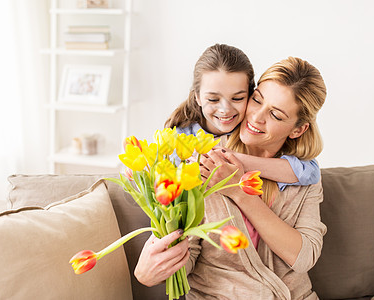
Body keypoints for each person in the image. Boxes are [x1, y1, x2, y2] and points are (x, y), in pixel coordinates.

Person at [135, 56, 327, 299]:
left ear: (298, 129)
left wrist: (238, 191)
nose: (257, 117)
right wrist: (156, 266)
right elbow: (189, 251)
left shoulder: (303, 178)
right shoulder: (203, 159)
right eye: (257, 100)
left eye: (276, 115)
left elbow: (304, 258)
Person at [165, 43, 320, 189]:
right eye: (213, 99)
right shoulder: (180, 139)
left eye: (238, 98)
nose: (225, 110)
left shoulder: (248, 130)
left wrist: (234, 158)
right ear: (197, 96)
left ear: (250, 94)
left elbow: (310, 172)